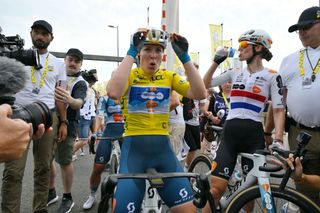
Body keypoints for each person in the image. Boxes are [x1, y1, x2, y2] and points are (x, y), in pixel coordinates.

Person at [107, 27, 206, 212]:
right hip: (133, 154)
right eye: (147, 49)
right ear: (139, 52)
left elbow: (200, 92)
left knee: (189, 210)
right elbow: (113, 92)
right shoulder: (129, 75)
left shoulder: (169, 77)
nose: (153, 55)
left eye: (158, 50)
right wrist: (130, 52)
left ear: (162, 54)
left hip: (164, 153)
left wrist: (185, 58)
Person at [202, 29, 284, 212]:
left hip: (253, 138)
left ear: (258, 48)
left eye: (243, 45)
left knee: (250, 194)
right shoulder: (234, 72)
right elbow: (204, 84)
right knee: (215, 192)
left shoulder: (272, 75)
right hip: (230, 135)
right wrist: (215, 62)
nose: (239, 50)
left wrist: (278, 140)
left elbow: (278, 110)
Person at [1, 20, 67, 213]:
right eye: (37, 32)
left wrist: (63, 121)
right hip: (18, 115)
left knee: (43, 168)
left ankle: (40, 209)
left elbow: (61, 96)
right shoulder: (14, 57)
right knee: (13, 171)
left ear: (51, 38)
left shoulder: (58, 64)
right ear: (31, 34)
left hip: (47, 117)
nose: (40, 36)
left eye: (44, 34)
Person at [266, 6, 320, 206]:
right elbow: (278, 102)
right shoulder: (289, 61)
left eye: (307, 26)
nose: (302, 32)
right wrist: (269, 133)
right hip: (302, 135)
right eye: (299, 29)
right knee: (305, 194)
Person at [48, 48, 87, 213]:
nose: (73, 63)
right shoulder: (55, 75)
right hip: (49, 120)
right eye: (70, 59)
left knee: (65, 161)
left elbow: (79, 102)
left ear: (81, 64)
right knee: (46, 159)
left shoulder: (80, 82)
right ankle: (51, 192)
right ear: (65, 60)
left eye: (77, 61)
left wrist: (70, 100)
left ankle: (67, 197)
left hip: (69, 123)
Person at [82, 93, 124, 210]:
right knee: (98, 167)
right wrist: (94, 133)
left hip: (127, 132)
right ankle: (92, 195)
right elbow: (99, 116)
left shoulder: (130, 94)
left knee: (130, 168)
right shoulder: (105, 98)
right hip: (109, 131)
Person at [73, 69, 98, 160]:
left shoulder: (92, 90)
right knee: (83, 140)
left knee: (95, 136)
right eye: (95, 75)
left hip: (92, 115)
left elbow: (93, 103)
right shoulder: (84, 87)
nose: (96, 77)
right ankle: (68, 153)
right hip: (84, 116)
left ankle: (94, 152)